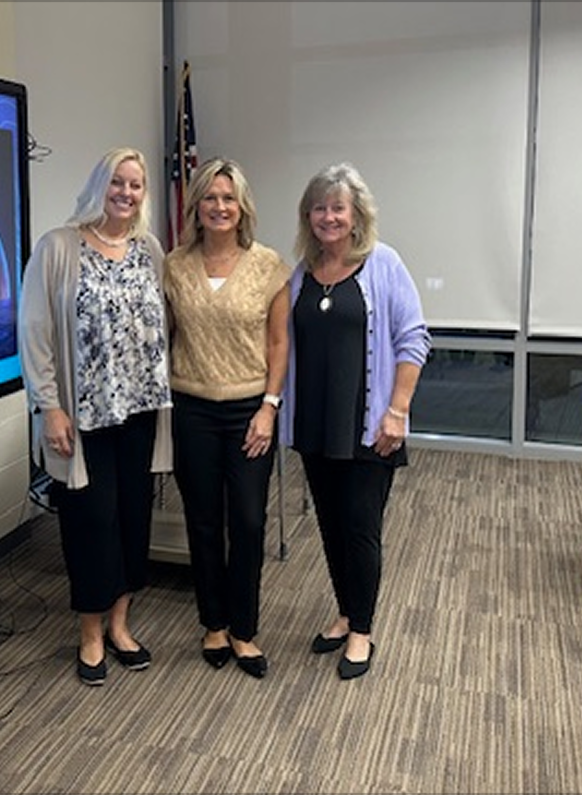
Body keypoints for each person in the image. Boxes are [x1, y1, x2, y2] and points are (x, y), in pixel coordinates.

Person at [18, 147, 173, 686]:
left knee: (133, 518)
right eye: (117, 183)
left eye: (136, 185)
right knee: (89, 522)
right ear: (98, 186)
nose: (126, 194)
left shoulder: (148, 249)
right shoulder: (58, 248)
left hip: (138, 411)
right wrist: (48, 405)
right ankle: (89, 631)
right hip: (81, 420)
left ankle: (121, 623)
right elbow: (34, 333)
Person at [279, 162, 430, 680]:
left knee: (361, 528)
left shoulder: (383, 264)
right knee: (329, 526)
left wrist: (397, 411)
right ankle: (345, 613)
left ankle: (362, 630)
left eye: (337, 207)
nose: (328, 217)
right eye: (319, 208)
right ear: (308, 216)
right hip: (316, 425)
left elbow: (414, 340)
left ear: (356, 213)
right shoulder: (300, 271)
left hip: (369, 427)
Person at [163, 158, 291, 679]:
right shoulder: (173, 265)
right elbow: (162, 336)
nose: (219, 207)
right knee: (202, 521)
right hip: (191, 407)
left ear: (243, 208)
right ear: (196, 205)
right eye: (211, 197)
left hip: (249, 411)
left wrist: (269, 406)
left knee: (249, 521)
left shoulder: (268, 265)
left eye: (229, 198)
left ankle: (245, 629)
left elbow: (280, 342)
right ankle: (213, 623)